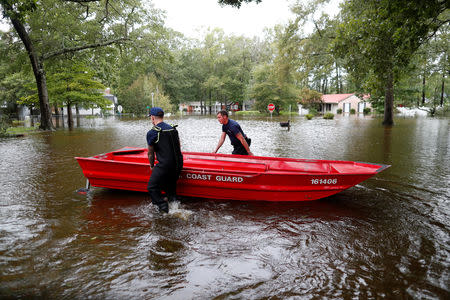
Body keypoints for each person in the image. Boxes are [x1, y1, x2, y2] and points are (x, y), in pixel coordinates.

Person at [146, 107, 183, 213]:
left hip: (165, 165)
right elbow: (179, 146)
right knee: (170, 188)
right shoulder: (173, 129)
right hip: (178, 163)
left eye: (150, 118)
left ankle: (163, 207)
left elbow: (150, 153)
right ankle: (174, 207)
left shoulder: (152, 132)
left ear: (152, 118)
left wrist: (152, 165)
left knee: (152, 187)